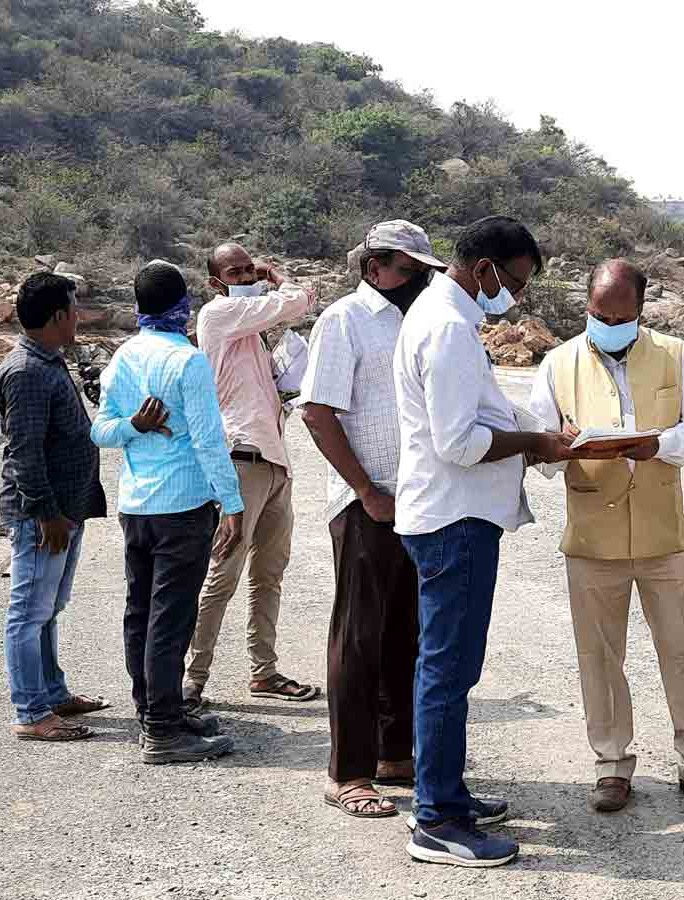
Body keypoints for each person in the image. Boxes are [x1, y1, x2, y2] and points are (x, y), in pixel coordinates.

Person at [393, 215, 583, 867]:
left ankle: (444, 792)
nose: (518, 298)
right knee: (448, 668)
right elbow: (459, 442)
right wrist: (535, 442)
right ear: (484, 270)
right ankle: (437, 819)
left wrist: (534, 432)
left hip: (452, 514)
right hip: (454, 518)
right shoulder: (446, 326)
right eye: (516, 282)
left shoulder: (442, 315)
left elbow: (476, 419)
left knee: (448, 665)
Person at [528, 259, 684, 813]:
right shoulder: (557, 364)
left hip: (663, 535)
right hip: (592, 539)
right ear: (588, 307)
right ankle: (611, 766)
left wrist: (659, 445)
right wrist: (564, 444)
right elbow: (538, 449)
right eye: (600, 315)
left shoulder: (676, 354)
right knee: (598, 657)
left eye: (620, 317)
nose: (609, 324)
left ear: (639, 311)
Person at [298, 220, 445, 819]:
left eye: (420, 272)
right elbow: (316, 411)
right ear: (373, 267)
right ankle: (349, 771)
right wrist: (364, 489)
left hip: (419, 500)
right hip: (367, 503)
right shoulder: (344, 320)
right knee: (358, 638)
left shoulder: (422, 319)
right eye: (406, 270)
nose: (414, 282)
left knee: (404, 633)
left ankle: (394, 752)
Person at [91, 260, 243, 765]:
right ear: (185, 306)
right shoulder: (187, 361)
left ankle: (158, 711)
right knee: (170, 617)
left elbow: (102, 431)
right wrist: (234, 502)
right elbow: (207, 440)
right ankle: (162, 730)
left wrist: (134, 426)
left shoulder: (122, 359)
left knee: (141, 612)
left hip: (137, 506)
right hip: (182, 506)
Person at [181, 243, 320, 710]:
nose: (245, 277)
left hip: (274, 461)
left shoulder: (252, 331)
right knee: (223, 574)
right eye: (235, 273)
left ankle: (264, 670)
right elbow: (301, 300)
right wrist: (274, 278)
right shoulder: (220, 315)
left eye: (248, 270)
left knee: (269, 574)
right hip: (241, 461)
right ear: (216, 283)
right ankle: (191, 677)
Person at [0, 273, 108, 742]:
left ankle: (52, 693)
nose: (79, 318)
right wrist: (45, 514)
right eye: (74, 309)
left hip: (64, 510)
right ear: (59, 316)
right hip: (45, 516)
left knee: (48, 607)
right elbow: (24, 450)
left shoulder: (50, 361)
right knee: (28, 613)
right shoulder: (26, 371)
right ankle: (32, 712)